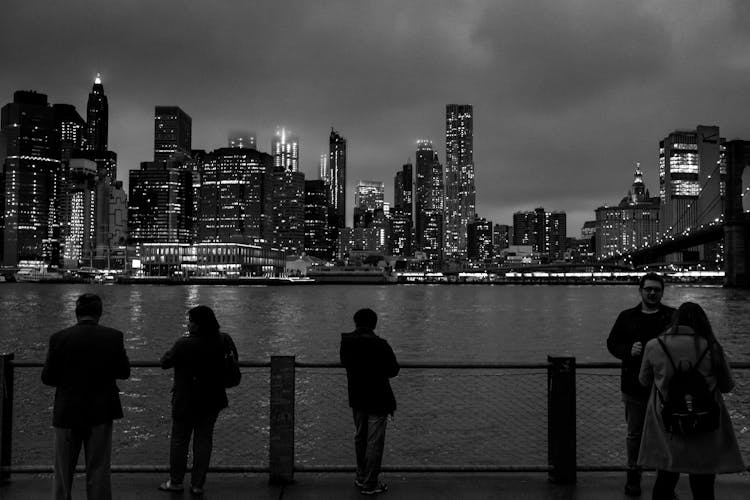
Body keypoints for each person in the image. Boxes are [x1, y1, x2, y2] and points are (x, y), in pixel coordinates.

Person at [638, 302, 745, 500]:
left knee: (665, 478)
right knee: (703, 483)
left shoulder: (655, 345)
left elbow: (643, 381)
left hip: (668, 422)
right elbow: (728, 385)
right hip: (704, 422)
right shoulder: (711, 346)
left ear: (676, 320)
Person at [41, 293, 131, 500]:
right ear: (100, 313)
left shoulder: (59, 338)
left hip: (67, 410)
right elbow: (124, 372)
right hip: (101, 410)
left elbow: (47, 377)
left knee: (63, 470)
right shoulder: (114, 336)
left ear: (76, 313)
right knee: (98, 467)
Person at [607, 272, 675, 496]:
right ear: (641, 291)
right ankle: (633, 477)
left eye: (657, 289)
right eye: (649, 289)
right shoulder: (626, 317)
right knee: (635, 435)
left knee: (666, 436)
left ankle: (664, 484)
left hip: (666, 389)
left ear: (662, 292)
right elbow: (612, 343)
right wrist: (628, 351)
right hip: (634, 386)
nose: (653, 293)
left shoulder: (673, 317)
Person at [158, 305, 238, 496]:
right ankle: (197, 484)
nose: (188, 323)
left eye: (191, 320)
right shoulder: (223, 340)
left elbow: (164, 362)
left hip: (185, 399)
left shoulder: (184, 344)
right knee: (204, 441)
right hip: (213, 398)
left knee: (179, 441)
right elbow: (233, 360)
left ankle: (176, 481)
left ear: (197, 324)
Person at [340, 308, 400, 496]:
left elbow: (345, 362)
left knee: (360, 437)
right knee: (374, 442)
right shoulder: (381, 345)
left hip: (357, 396)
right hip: (378, 398)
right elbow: (393, 370)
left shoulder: (346, 342)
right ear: (374, 324)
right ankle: (370, 483)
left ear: (355, 322)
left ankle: (361, 475)